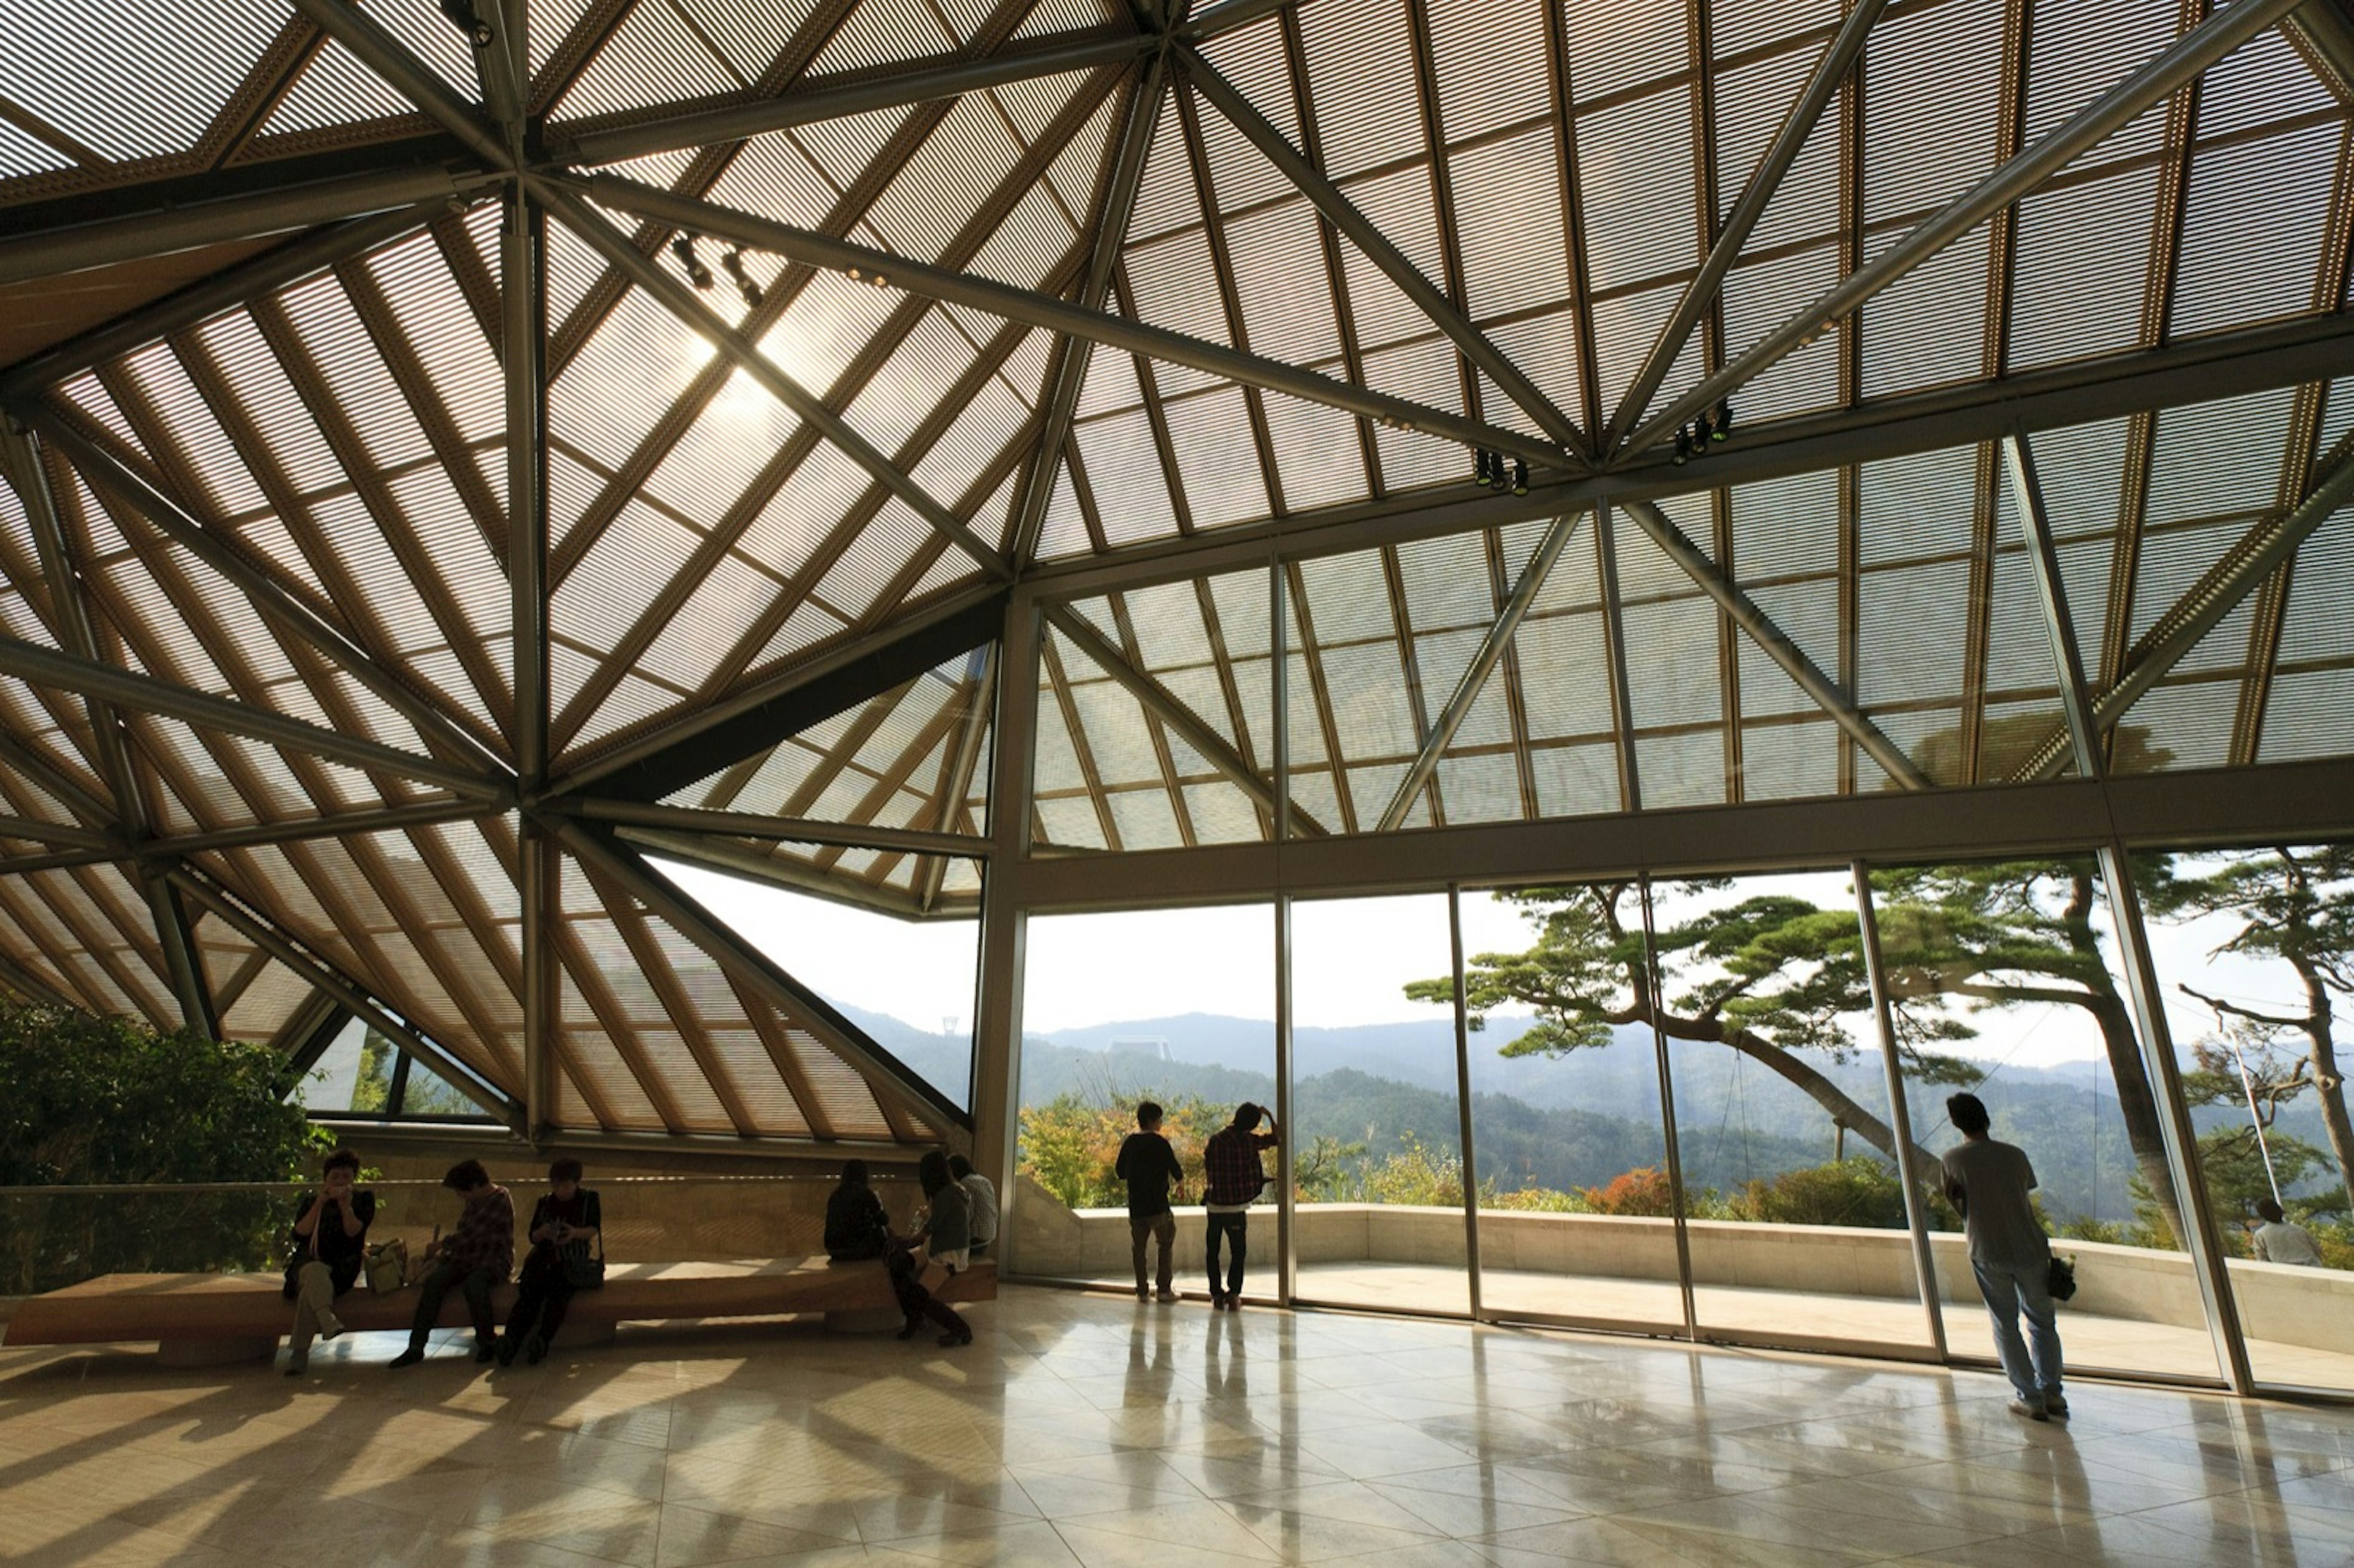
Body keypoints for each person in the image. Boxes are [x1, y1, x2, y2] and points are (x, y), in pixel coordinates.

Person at [1941, 1092, 2065, 1421]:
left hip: (1987, 1249)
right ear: (1987, 1118)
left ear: (1956, 1123)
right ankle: (2053, 1392)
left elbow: (1961, 1207)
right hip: (2030, 1247)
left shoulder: (1953, 1160)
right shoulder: (2015, 1156)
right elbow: (2023, 1193)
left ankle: (2029, 1397)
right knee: (2042, 1321)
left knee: (2005, 1325)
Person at [390, 1159, 513, 1369]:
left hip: (493, 1260)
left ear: (474, 1186)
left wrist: (442, 1244)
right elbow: (467, 1235)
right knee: (434, 1282)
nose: (460, 1196)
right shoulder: (474, 1200)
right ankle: (416, 1346)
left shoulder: (499, 1199)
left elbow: (473, 1235)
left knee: (475, 1285)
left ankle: (487, 1341)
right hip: (467, 1258)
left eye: (460, 1191)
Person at [498, 1157, 600, 1366]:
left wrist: (574, 1233)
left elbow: (593, 1229)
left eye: (565, 1185)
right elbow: (532, 1236)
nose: (560, 1190)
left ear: (576, 1182)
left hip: (570, 1261)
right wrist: (542, 1233)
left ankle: (542, 1340)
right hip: (543, 1258)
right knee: (528, 1296)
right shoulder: (545, 1202)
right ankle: (512, 1340)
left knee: (558, 1297)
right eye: (555, 1185)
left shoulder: (589, 1199)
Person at [282, 1148, 374, 1375]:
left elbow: (354, 1233)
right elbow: (300, 1233)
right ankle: (325, 1319)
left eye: (346, 1177)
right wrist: (319, 1205)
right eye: (335, 1177)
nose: (340, 1182)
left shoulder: (363, 1200)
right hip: (308, 1263)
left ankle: (301, 1352)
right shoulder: (313, 1200)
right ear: (326, 1179)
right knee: (314, 1271)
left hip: (341, 1268)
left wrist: (345, 1206)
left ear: (353, 1179)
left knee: (310, 1291)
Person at [889, 1150, 974, 1347]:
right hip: (938, 1249)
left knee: (919, 1296)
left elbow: (927, 1231)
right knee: (899, 1265)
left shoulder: (946, 1196)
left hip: (946, 1255)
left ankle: (960, 1329)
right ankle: (914, 1318)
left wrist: (903, 1241)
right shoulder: (954, 1192)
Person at [1201, 1102, 1278, 1312]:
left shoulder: (1216, 1140)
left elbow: (1207, 1163)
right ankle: (1234, 1295)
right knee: (1238, 1252)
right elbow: (1276, 1139)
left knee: (1213, 1252)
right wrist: (1270, 1116)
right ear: (1252, 1124)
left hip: (1215, 1205)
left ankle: (1216, 1295)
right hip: (1237, 1206)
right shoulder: (1249, 1141)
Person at [1116, 1101, 1186, 1303]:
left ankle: (1142, 1291)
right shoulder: (1160, 1143)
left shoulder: (1130, 1143)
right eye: (1159, 1119)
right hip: (1158, 1206)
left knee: (1139, 1249)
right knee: (1165, 1245)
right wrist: (1179, 1184)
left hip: (1137, 1207)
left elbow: (1120, 1172)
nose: (1161, 1123)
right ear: (1151, 1120)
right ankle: (1164, 1290)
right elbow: (1176, 1169)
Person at [826, 1159, 893, 1262]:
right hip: (856, 1249)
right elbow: (883, 1220)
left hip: (834, 1249)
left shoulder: (836, 1195)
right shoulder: (866, 1193)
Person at [2250, 1197, 2324, 1266]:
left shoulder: (2261, 1235)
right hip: (2313, 1270)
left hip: (2286, 1274)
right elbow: (2318, 1251)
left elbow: (2263, 1262)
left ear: (2262, 1215)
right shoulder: (2300, 1230)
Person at [949, 1154, 997, 1257]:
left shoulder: (965, 1184)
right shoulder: (984, 1180)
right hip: (989, 1233)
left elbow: (966, 1216)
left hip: (976, 1237)